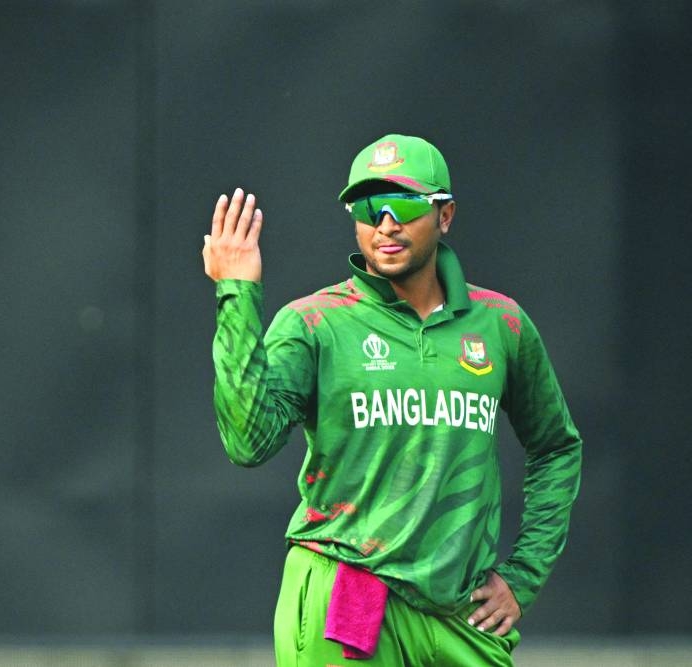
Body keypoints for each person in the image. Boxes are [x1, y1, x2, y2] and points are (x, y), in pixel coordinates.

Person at [202, 134, 582, 666]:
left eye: (404, 204)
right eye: (367, 207)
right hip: (350, 592)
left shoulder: (501, 324)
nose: (385, 223)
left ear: (445, 216)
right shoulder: (315, 322)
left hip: (460, 614)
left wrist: (521, 577)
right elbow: (247, 443)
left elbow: (556, 447)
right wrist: (237, 293)